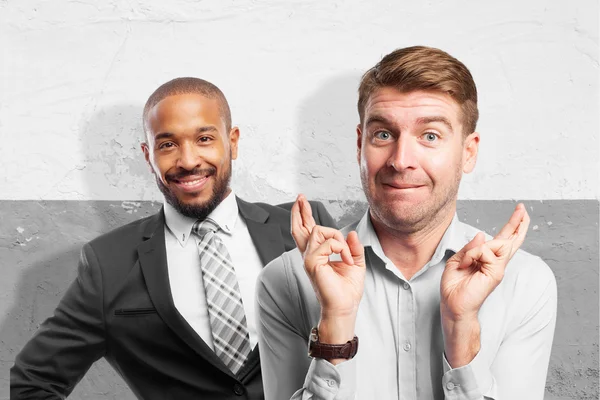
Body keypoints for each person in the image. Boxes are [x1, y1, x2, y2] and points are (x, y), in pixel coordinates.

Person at [256, 46, 557, 399]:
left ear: (469, 152)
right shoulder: (286, 280)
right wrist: (334, 327)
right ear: (359, 145)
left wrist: (461, 335)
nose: (401, 161)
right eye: (383, 134)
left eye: (430, 136)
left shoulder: (524, 283)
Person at [10, 77, 336, 399]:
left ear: (232, 142)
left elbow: (364, 349)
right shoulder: (108, 263)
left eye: (205, 139)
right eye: (167, 145)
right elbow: (32, 383)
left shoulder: (304, 228)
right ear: (147, 155)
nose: (188, 161)